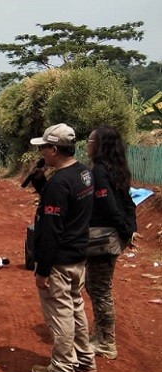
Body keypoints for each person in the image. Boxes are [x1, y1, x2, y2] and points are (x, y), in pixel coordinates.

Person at [29, 123, 96, 372]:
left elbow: (51, 230)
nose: (42, 152)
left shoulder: (59, 182)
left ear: (55, 150)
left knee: (60, 313)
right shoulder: (84, 174)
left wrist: (43, 269)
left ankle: (62, 367)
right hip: (78, 254)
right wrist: (41, 186)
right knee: (75, 306)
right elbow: (69, 209)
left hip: (59, 259)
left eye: (44, 147)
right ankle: (85, 358)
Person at [84, 125, 137, 360]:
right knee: (94, 285)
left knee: (100, 289)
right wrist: (130, 230)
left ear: (99, 146)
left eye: (90, 141)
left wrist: (125, 231)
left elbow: (110, 207)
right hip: (112, 236)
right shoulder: (118, 170)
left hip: (103, 239)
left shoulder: (98, 171)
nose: (87, 145)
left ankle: (106, 342)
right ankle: (100, 335)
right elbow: (129, 204)